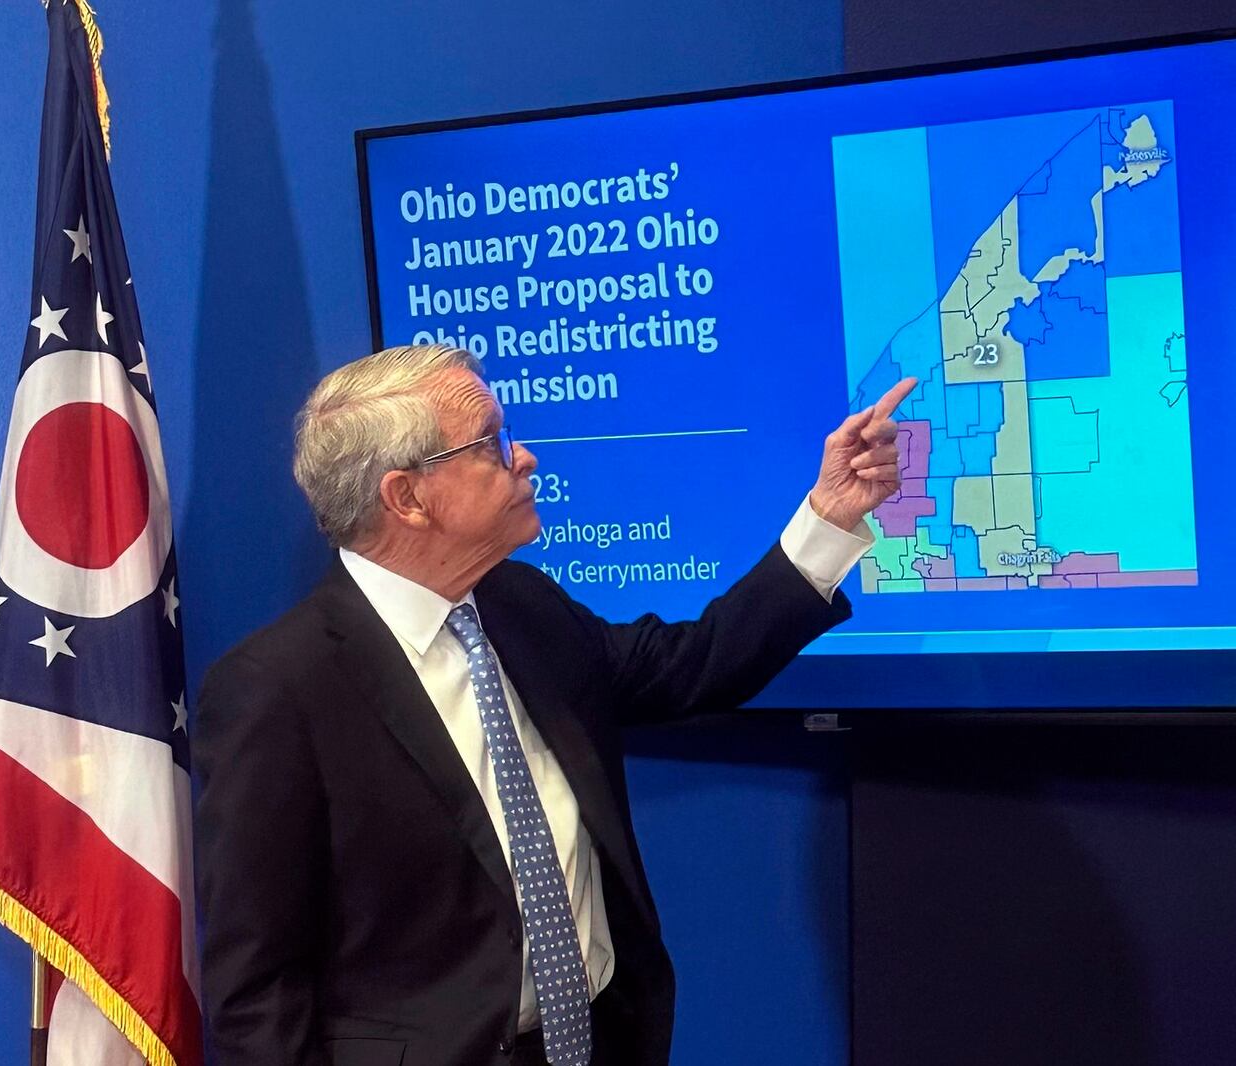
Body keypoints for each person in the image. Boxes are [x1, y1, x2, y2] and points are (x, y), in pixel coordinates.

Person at [193, 344, 915, 1066]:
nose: (525, 458)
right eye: (491, 444)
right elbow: (257, 994)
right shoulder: (277, 690)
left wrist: (829, 516)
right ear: (406, 498)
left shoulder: (521, 604)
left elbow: (690, 667)